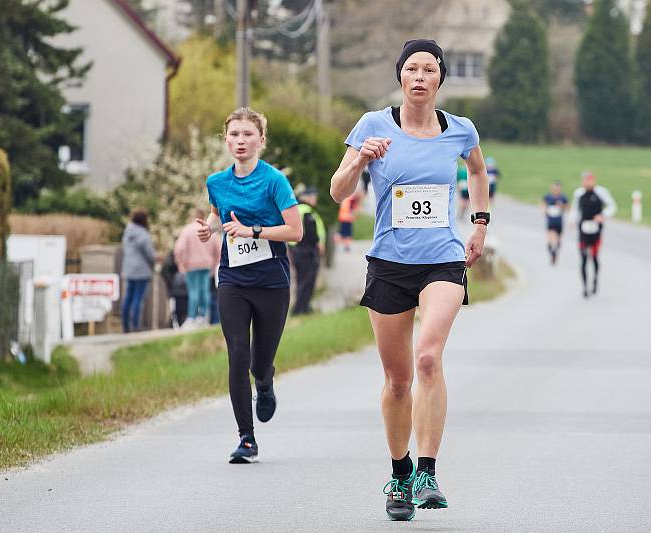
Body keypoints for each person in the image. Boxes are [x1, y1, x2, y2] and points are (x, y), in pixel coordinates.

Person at [330, 39, 489, 521]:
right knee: (398, 381)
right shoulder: (373, 125)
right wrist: (360, 160)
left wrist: (479, 222)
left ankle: (427, 471)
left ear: (440, 79)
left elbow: (477, 170)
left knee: (427, 358)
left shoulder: (460, 130)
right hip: (389, 264)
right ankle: (399, 475)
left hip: (442, 259)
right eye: (412, 69)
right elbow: (339, 191)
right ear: (400, 77)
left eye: (430, 69)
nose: (420, 76)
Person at [196, 107, 303, 464]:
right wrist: (209, 228)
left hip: (272, 282)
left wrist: (253, 231)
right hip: (233, 280)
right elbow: (217, 213)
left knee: (259, 362)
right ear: (225, 140)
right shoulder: (216, 182)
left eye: (247, 134)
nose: (240, 141)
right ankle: (246, 437)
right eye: (234, 135)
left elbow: (296, 231)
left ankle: (265, 382)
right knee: (237, 353)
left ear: (261, 140)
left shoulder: (275, 181)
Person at [174, 208, 222, 328]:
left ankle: (191, 317)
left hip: (191, 265)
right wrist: (215, 263)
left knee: (193, 292)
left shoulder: (187, 230)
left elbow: (179, 248)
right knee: (204, 291)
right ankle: (204, 317)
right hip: (206, 265)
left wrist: (181, 263)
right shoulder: (208, 230)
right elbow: (219, 249)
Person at [571, 171, 616, 298]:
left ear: (593, 180)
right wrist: (571, 221)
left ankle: (595, 279)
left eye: (589, 180)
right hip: (583, 229)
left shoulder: (601, 192)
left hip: (596, 230)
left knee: (595, 257)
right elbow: (575, 209)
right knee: (583, 258)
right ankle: (585, 287)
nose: (587, 182)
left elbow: (612, 206)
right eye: (585, 180)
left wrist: (603, 216)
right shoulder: (579, 193)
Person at [289, 185, 326, 315]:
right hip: (307, 251)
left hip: (297, 251)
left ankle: (301, 308)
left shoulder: (297, 210)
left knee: (301, 280)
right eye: (314, 196)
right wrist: (317, 244)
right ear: (308, 197)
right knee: (307, 281)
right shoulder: (307, 211)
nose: (315, 199)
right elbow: (310, 232)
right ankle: (301, 309)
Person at [121, 208, 156, 333]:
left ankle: (125, 326)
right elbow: (149, 254)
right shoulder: (142, 233)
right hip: (141, 271)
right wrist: (154, 262)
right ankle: (136, 326)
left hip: (129, 270)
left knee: (128, 298)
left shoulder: (128, 231)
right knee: (138, 299)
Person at [541, 180, 569, 265]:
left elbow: (567, 208)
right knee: (550, 238)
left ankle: (555, 252)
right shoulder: (548, 197)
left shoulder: (563, 198)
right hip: (550, 221)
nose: (556, 190)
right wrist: (544, 210)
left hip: (559, 221)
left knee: (558, 239)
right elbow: (543, 205)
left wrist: (562, 206)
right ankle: (552, 254)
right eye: (554, 188)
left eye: (558, 188)